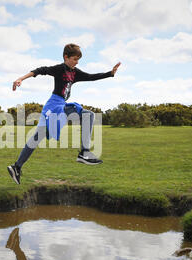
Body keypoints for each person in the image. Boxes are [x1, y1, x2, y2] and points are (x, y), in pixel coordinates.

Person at [7, 43, 121, 185]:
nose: (76, 62)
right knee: (37, 137)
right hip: (53, 106)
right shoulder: (59, 69)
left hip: (61, 105)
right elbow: (40, 70)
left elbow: (91, 77)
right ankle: (17, 167)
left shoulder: (75, 72)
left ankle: (84, 152)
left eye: (78, 60)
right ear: (66, 57)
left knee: (88, 115)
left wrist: (109, 74)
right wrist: (21, 79)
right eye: (74, 59)